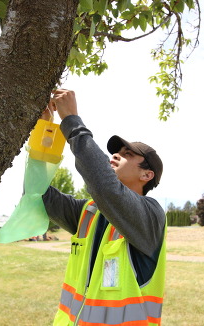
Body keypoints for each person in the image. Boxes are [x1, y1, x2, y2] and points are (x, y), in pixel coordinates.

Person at [42, 89, 166, 326]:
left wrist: (71, 122)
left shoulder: (151, 215)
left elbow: (104, 186)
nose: (115, 156)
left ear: (147, 174)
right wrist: (44, 134)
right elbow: (38, 194)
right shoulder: (88, 212)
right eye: (116, 152)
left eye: (127, 154)